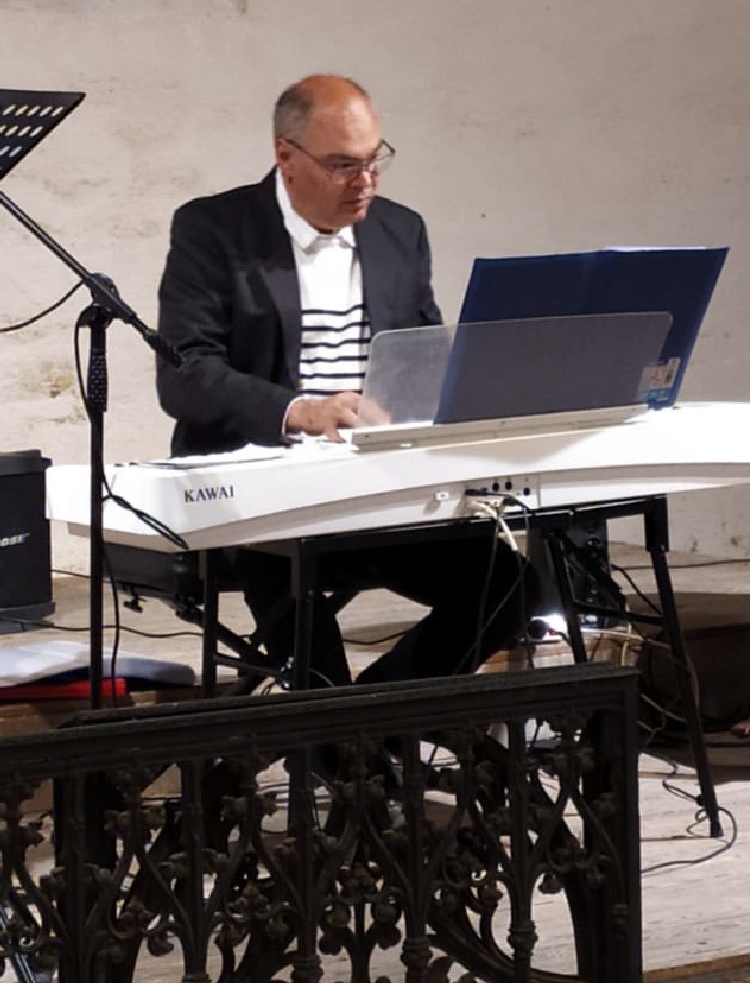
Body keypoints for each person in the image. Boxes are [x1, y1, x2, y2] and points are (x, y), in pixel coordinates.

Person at [156, 73, 537, 689]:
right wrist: (300, 409)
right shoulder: (215, 230)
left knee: (510, 587)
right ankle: (347, 736)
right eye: (342, 166)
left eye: (374, 161)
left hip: (373, 486)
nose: (364, 183)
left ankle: (373, 732)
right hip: (261, 501)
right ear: (284, 154)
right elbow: (185, 376)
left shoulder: (399, 231)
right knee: (304, 628)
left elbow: (422, 359)